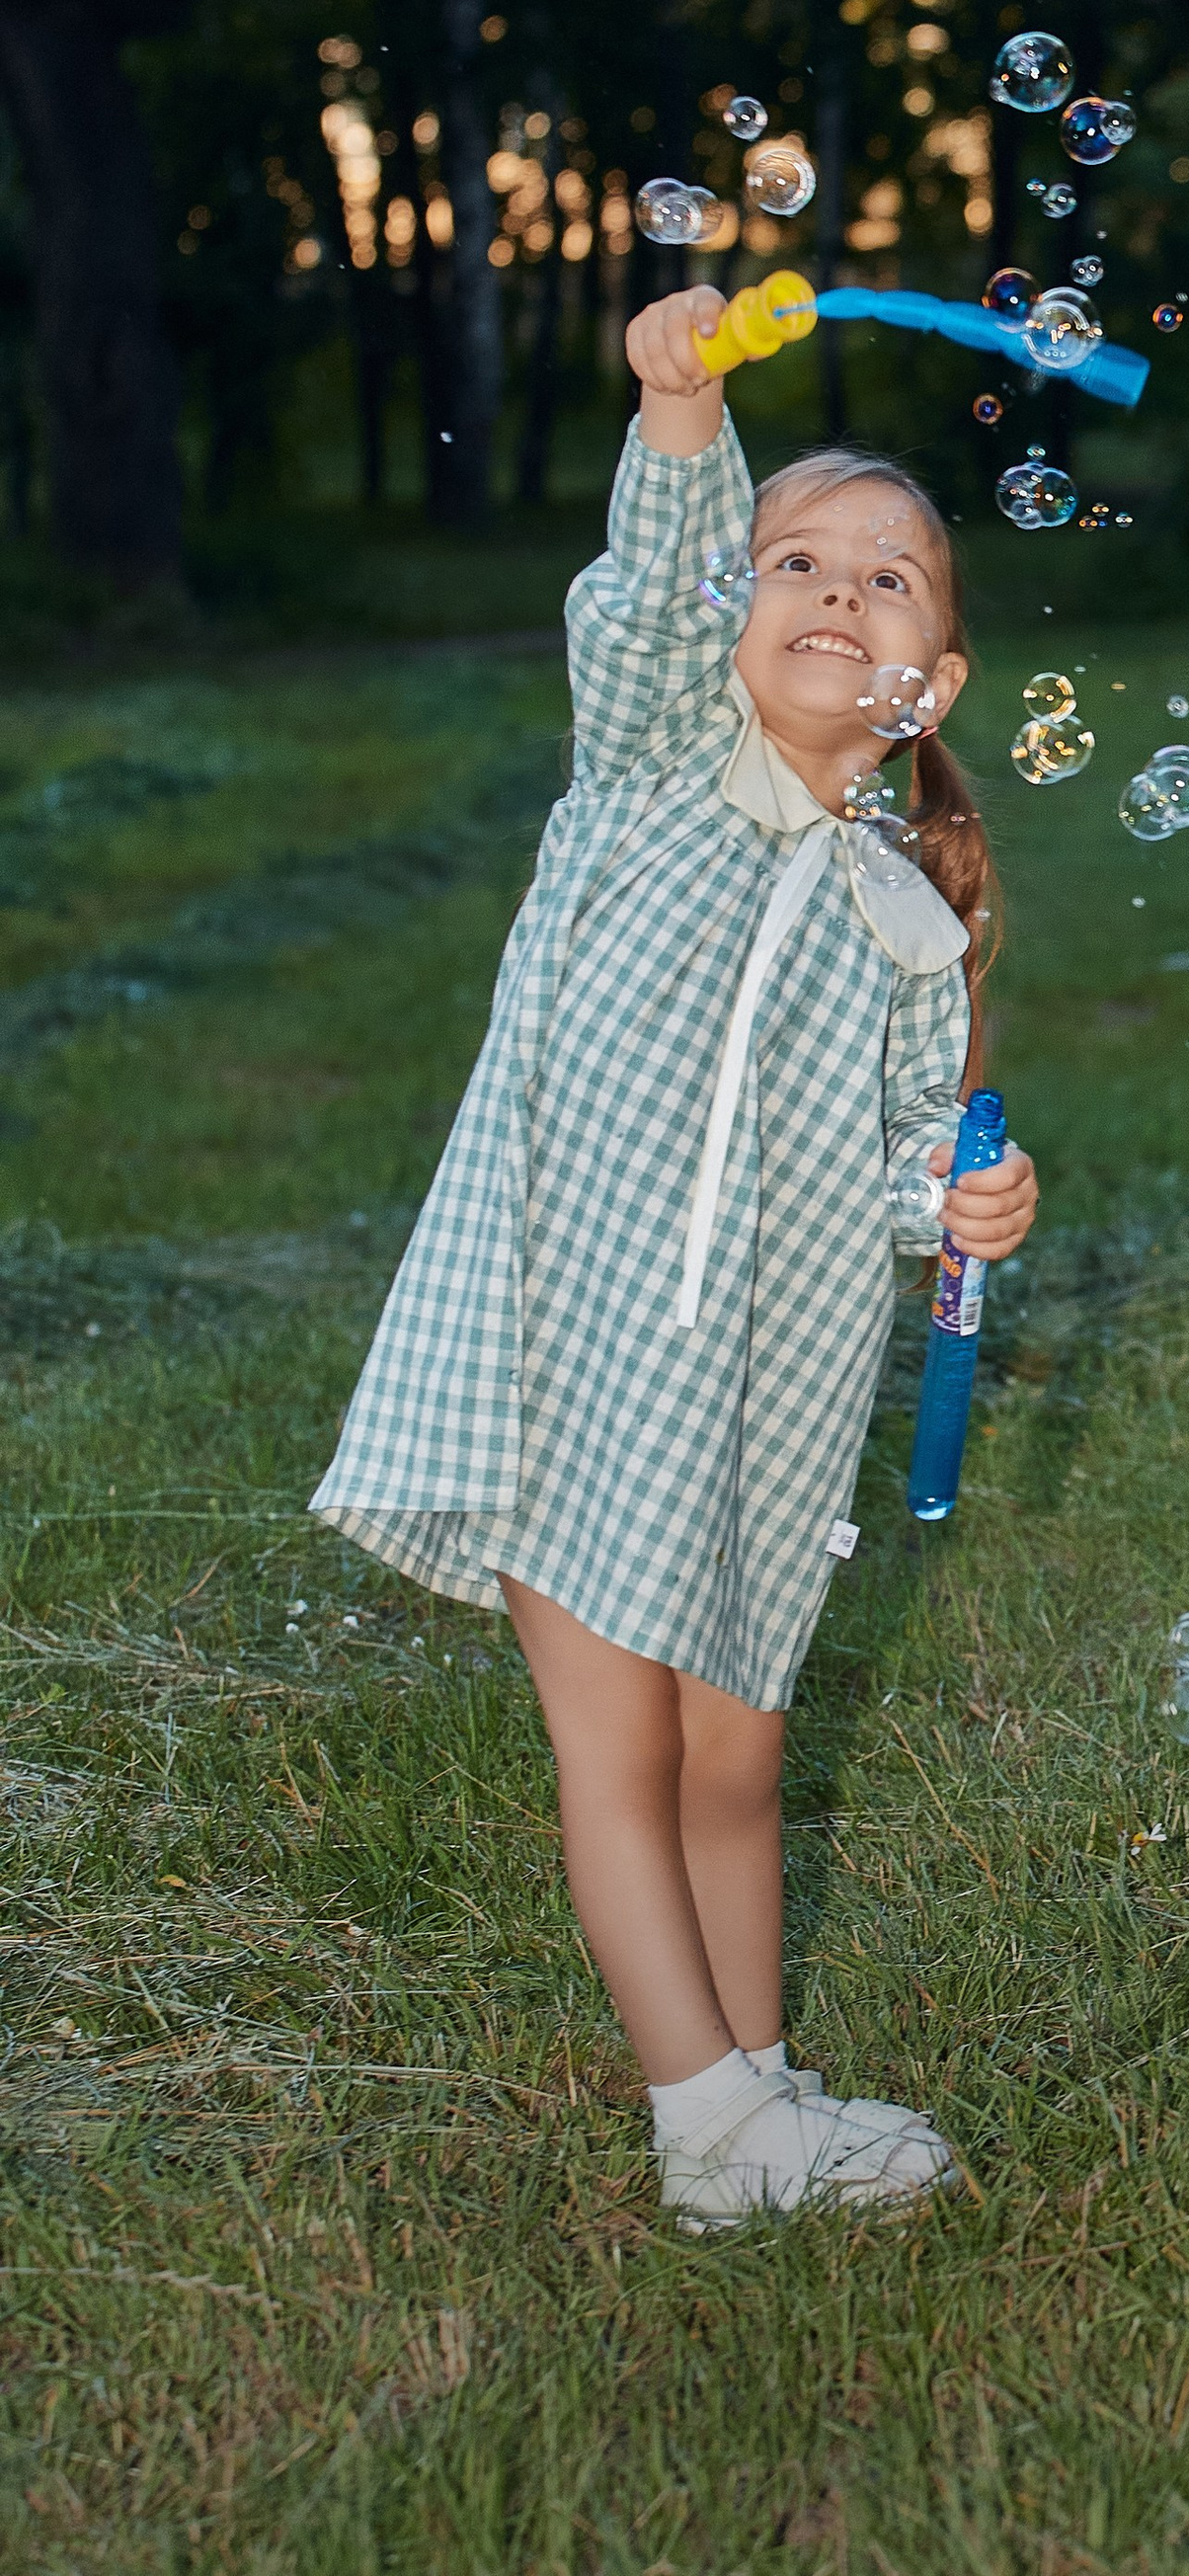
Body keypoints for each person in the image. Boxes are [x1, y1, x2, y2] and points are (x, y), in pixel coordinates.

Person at [313, 286, 1038, 2225]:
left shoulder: (900, 914)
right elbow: (639, 599)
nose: (830, 589)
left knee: (736, 1751)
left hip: (763, 1399)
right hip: (570, 1355)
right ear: (725, 622)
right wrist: (679, 417)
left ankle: (757, 2074)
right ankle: (704, 2130)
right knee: (620, 1742)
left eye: (886, 578)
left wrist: (955, 1203)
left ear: (933, 681)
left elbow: (903, 1145)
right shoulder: (641, 776)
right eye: (788, 560)